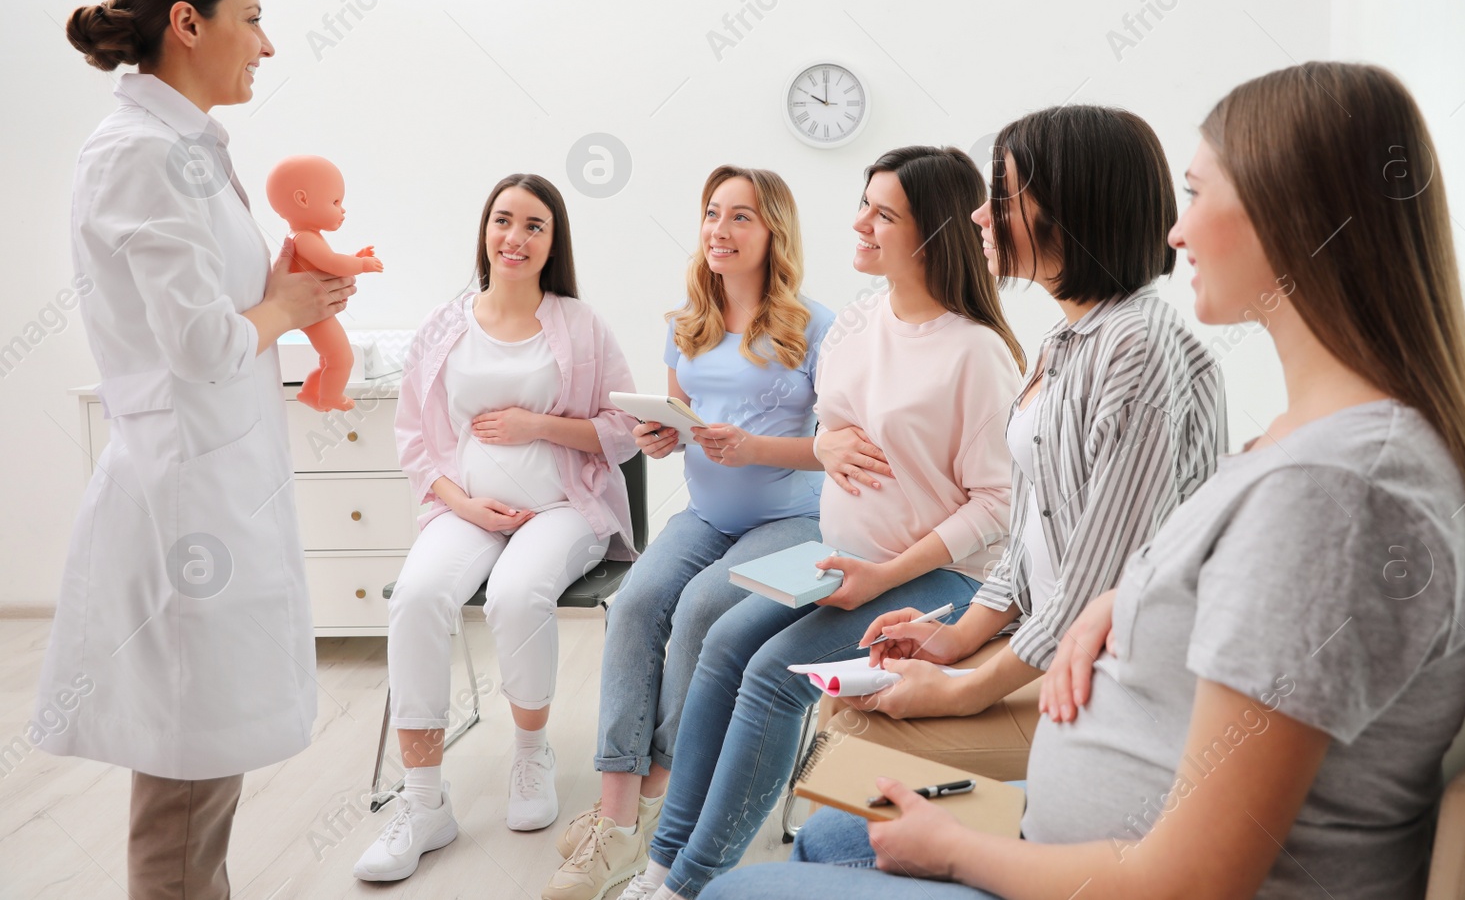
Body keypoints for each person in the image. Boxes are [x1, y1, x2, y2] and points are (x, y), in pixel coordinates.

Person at [700, 62, 1465, 900]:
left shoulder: (1330, 491)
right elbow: (1110, 548)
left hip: (1120, 864)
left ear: (1295, 213)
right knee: (827, 835)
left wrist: (959, 835)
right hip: (1094, 824)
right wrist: (1103, 608)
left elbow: (1191, 880)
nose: (1176, 229)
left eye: (1198, 196)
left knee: (748, 885)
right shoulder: (1312, 451)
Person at [39, 0, 354, 899]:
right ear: (187, 23)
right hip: (186, 505)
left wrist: (285, 287)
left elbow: (213, 312)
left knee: (203, 791)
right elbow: (201, 343)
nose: (265, 44)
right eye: (251, 18)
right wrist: (285, 310)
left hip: (217, 490)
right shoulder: (141, 154)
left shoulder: (184, 150)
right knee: (183, 803)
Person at [625, 145, 1026, 900]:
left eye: (883, 213)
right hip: (842, 556)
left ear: (933, 233)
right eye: (864, 203)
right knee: (718, 646)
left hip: (934, 577)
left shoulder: (974, 353)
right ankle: (657, 867)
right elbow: (832, 439)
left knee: (774, 678)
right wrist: (819, 447)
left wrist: (883, 573)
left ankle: (687, 885)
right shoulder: (858, 322)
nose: (859, 223)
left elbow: (999, 506)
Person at [839, 106, 1226, 780]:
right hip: (1058, 647)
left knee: (851, 734)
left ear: (1069, 208)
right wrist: (956, 637)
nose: (980, 216)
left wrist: (963, 688)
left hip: (1117, 682)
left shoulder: (1137, 348)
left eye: (1003, 197)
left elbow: (1096, 577)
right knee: (847, 710)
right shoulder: (1063, 341)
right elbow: (1032, 538)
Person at [544, 166, 836, 900]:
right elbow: (677, 419)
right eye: (712, 213)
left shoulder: (815, 325)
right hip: (706, 515)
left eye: (741, 217)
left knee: (704, 608)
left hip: (791, 517)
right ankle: (618, 815)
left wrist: (756, 446)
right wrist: (661, 435)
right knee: (637, 601)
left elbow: (837, 446)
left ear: (774, 232)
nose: (720, 229)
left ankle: (665, 801)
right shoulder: (686, 323)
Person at [354, 174, 639, 882]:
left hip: (563, 507)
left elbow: (627, 430)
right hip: (467, 508)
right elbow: (415, 440)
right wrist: (467, 505)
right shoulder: (444, 324)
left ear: (553, 241)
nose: (514, 237)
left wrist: (535, 424)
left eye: (533, 225)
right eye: (503, 221)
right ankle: (425, 803)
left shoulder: (578, 323)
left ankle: (530, 754)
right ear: (485, 230)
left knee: (516, 594)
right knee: (417, 596)